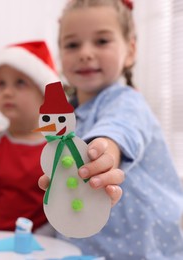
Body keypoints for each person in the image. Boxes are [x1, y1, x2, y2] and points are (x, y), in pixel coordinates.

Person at [0, 40, 124, 234]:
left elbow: (66, 208)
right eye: (1, 84)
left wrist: (37, 244)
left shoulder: (63, 151)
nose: (7, 91)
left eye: (20, 82)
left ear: (43, 93)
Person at [38, 0, 183, 259]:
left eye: (102, 41)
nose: (85, 52)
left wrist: (102, 152)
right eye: (72, 44)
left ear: (130, 50)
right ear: (60, 54)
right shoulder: (66, 120)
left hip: (144, 251)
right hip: (83, 250)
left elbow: (119, 128)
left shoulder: (127, 100)